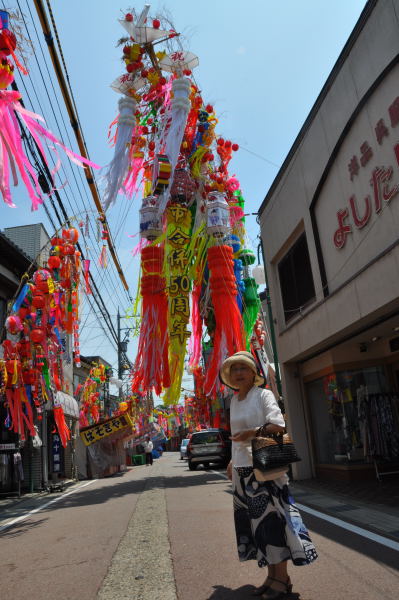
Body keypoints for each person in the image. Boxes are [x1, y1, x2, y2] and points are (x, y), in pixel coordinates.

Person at [220, 351, 317, 599]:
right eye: (234, 369)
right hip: (243, 470)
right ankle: (273, 577)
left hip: (265, 468)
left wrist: (252, 433)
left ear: (254, 373)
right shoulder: (234, 401)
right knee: (257, 528)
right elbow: (236, 437)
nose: (238, 373)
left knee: (272, 523)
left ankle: (281, 580)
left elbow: (278, 425)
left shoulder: (263, 395)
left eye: (243, 368)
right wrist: (233, 459)